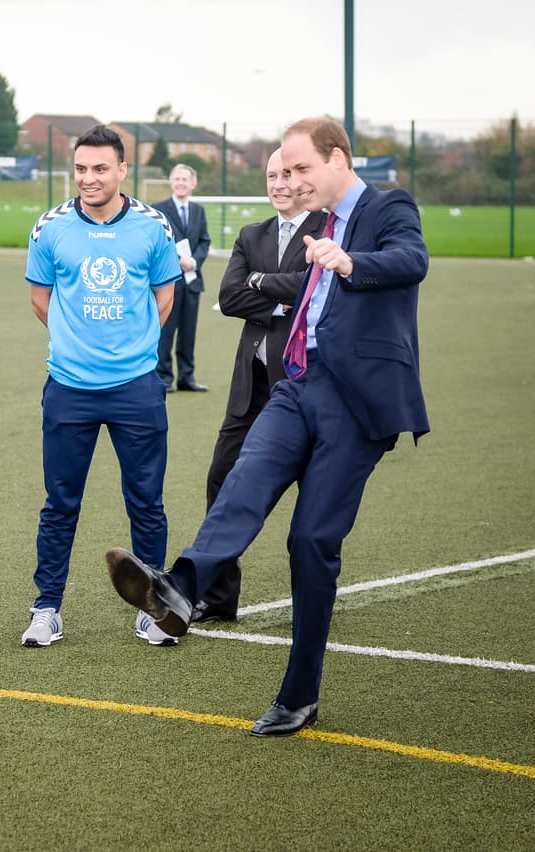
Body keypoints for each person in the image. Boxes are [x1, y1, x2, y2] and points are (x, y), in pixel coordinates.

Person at [107, 116, 430, 736]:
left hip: (357, 402)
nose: (294, 180)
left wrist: (349, 261)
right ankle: (178, 589)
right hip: (296, 385)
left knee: (310, 543)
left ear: (339, 159)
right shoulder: (311, 226)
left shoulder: (388, 208)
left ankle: (299, 694)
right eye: (286, 169)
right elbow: (247, 292)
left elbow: (410, 259)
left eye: (304, 168)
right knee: (242, 482)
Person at [21, 124, 179, 648]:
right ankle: (46, 610)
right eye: (82, 169)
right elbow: (41, 299)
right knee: (60, 503)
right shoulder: (51, 227)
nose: (89, 178)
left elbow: (164, 297)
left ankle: (154, 608)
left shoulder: (153, 227)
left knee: (146, 501)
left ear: (122, 170)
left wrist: (129, 351)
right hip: (69, 387)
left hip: (136, 387)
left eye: (100, 169)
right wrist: (79, 345)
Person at [188, 149, 327, 624]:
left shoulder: (329, 230)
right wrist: (282, 298)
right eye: (271, 175)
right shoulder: (252, 234)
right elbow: (229, 297)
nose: (279, 183)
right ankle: (219, 598)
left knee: (315, 496)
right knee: (220, 478)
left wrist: (261, 281)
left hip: (305, 386)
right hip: (252, 387)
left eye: (287, 174)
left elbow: (315, 286)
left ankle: (314, 599)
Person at [153, 164, 211, 392]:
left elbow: (204, 240)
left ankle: (187, 378)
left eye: (185, 179)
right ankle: (164, 378)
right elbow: (157, 241)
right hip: (168, 281)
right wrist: (177, 260)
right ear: (171, 182)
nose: (180, 183)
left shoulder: (199, 211)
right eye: (176, 179)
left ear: (193, 183)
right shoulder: (158, 210)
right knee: (166, 331)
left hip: (192, 281)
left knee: (188, 332)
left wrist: (193, 261)